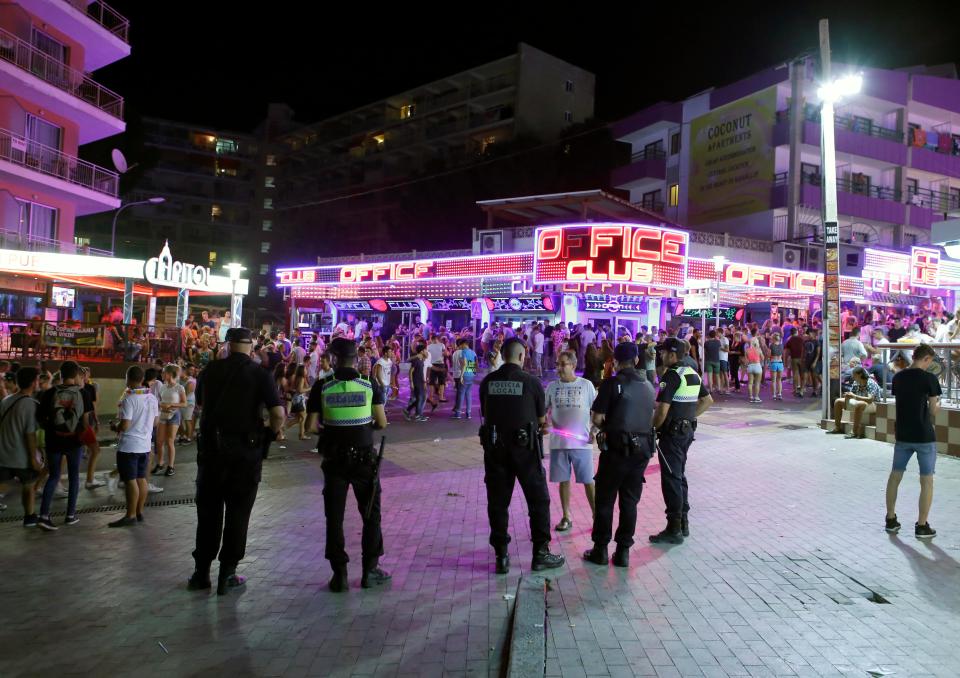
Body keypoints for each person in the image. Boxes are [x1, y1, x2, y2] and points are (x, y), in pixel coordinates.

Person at [188, 328, 284, 595]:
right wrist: (269, 435)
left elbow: (200, 406)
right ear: (251, 346)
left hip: (211, 454)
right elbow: (277, 413)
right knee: (238, 513)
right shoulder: (259, 374)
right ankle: (227, 573)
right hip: (245, 455)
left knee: (208, 514)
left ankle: (201, 573)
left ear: (227, 345)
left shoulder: (208, 372)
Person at [305, 337, 390, 592]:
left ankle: (339, 575)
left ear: (333, 358)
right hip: (364, 460)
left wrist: (331, 431)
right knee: (370, 515)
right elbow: (382, 423)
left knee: (335, 518)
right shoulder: (368, 384)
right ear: (356, 358)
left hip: (334, 461)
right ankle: (370, 570)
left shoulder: (322, 386)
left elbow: (310, 427)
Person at [479, 337, 564, 574]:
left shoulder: (488, 382)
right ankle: (540, 553)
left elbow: (486, 414)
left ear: (503, 355)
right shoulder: (531, 382)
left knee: (498, 503)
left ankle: (501, 556)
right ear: (521, 356)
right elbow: (540, 420)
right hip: (525, 451)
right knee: (538, 501)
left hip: (495, 450)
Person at [582, 342, 656, 567]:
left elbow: (596, 418)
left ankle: (601, 549)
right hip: (641, 450)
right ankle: (623, 552)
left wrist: (606, 426)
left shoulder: (611, 384)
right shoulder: (649, 385)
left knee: (605, 500)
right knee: (629, 502)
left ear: (615, 362)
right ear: (635, 360)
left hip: (615, 451)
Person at [650, 338, 713, 544]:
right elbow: (707, 400)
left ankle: (674, 528)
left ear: (672, 354)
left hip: (672, 436)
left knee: (671, 479)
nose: (661, 355)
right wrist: (689, 417)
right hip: (685, 434)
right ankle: (683, 523)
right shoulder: (691, 373)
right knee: (679, 476)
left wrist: (651, 428)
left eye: (664, 352)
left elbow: (661, 410)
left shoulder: (672, 375)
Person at [885, 344, 940, 539]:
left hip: (903, 434)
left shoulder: (899, 377)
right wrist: (937, 405)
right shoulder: (930, 379)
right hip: (924, 436)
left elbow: (900, 404)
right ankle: (922, 525)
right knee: (926, 481)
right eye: (929, 362)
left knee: (895, 477)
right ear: (926, 359)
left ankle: (891, 519)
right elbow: (933, 411)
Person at [544, 350, 597, 533]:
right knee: (563, 481)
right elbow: (543, 411)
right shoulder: (552, 387)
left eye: (563, 364)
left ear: (573, 365)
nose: (558, 368)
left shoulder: (586, 385)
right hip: (559, 444)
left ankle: (597, 516)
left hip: (582, 443)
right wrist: (543, 424)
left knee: (588, 480)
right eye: (558, 364)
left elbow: (597, 412)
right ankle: (566, 516)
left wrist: (595, 431)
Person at [36, 360, 87, 531]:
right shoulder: (83, 393)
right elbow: (86, 421)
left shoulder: (49, 393)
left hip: (54, 441)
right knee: (74, 477)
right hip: (75, 442)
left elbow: (40, 419)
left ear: (61, 374)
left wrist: (52, 428)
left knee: (53, 476)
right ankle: (70, 515)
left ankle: (44, 515)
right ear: (76, 375)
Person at [108, 366, 159, 527]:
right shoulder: (151, 397)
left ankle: (130, 516)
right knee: (141, 479)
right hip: (145, 445)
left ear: (128, 378)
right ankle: (139, 512)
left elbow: (125, 425)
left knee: (130, 481)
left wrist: (114, 427)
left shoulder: (129, 398)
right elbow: (156, 422)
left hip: (129, 446)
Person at [0, 367, 43, 527]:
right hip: (21, 456)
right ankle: (30, 517)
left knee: (3, 482)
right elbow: (30, 434)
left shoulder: (6, 401)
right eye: (38, 380)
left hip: (3, 453)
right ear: (33, 383)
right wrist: (34, 458)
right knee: (28, 485)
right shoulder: (31, 405)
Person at [826, 366, 881, 439]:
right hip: (859, 401)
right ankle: (837, 427)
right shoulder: (856, 383)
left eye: (854, 375)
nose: (853, 377)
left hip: (873, 404)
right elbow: (852, 394)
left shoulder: (870, 383)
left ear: (860, 374)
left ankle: (854, 432)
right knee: (838, 401)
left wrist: (854, 396)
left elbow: (870, 399)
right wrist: (847, 397)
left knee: (859, 404)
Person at [153, 365, 186, 477]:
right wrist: (161, 405)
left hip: (174, 415)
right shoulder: (162, 387)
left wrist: (171, 404)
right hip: (163, 415)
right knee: (159, 441)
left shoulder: (179, 388)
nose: (162, 375)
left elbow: (184, 403)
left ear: (170, 374)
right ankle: (160, 463)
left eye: (163, 373)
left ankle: (171, 466)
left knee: (170, 441)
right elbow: (160, 401)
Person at [451, 338, 477, 419]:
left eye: (460, 345)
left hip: (465, 374)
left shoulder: (464, 352)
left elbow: (464, 364)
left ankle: (458, 413)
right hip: (471, 374)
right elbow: (475, 363)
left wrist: (461, 376)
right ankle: (468, 413)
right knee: (468, 394)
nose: (459, 347)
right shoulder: (473, 352)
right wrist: (473, 373)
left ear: (464, 344)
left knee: (461, 394)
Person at [404, 343, 429, 422]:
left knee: (421, 398)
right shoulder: (417, 360)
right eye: (425, 350)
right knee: (420, 398)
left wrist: (424, 381)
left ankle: (408, 410)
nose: (427, 351)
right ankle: (417, 415)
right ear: (422, 351)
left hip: (421, 382)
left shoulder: (421, 359)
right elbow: (411, 371)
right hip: (417, 382)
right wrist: (411, 382)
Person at [785, 329, 806, 398]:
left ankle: (795, 390)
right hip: (801, 359)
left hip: (794, 358)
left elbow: (787, 352)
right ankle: (802, 390)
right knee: (802, 375)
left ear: (791, 333)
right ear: (796, 332)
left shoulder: (789, 340)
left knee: (795, 374)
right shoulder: (801, 339)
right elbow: (804, 348)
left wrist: (785, 361)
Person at [745, 337, 764, 403]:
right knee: (757, 383)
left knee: (750, 383)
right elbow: (763, 358)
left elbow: (746, 360)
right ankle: (756, 397)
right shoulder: (759, 349)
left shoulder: (747, 350)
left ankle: (750, 397)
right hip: (757, 366)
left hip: (750, 366)